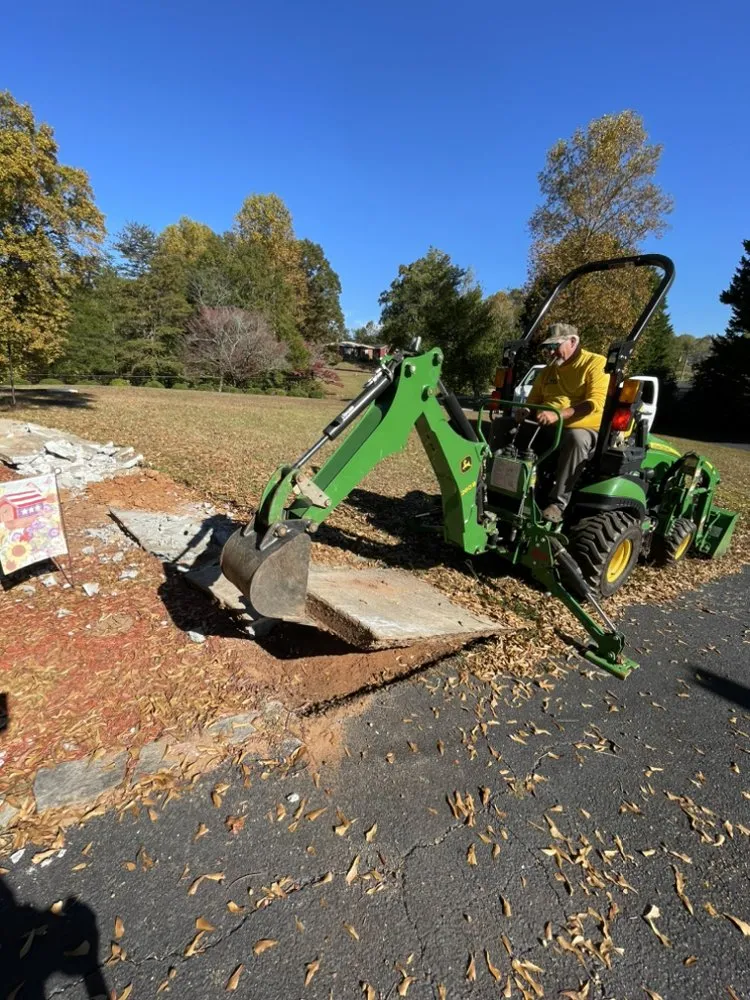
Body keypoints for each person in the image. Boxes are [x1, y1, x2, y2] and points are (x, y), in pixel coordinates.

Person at [519, 323, 608, 522]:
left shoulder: (594, 363)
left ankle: (558, 503)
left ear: (573, 341)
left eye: (555, 346)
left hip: (581, 426)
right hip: (548, 424)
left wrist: (558, 414)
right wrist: (525, 411)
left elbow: (594, 403)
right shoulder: (549, 370)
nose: (551, 352)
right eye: (548, 348)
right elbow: (533, 401)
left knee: (576, 439)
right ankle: (506, 486)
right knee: (507, 427)